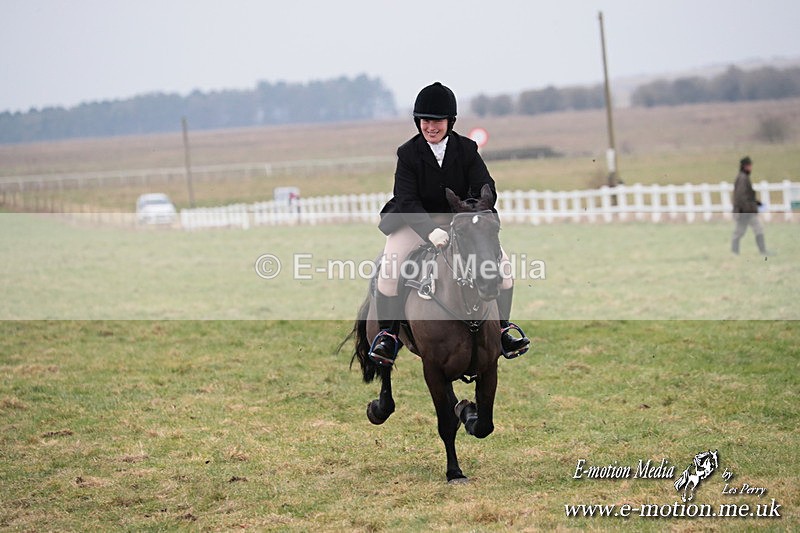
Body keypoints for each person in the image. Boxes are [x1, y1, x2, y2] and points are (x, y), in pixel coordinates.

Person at [368, 81, 530, 367]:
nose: (431, 127)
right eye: (426, 121)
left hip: (460, 223)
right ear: (419, 121)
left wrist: (471, 211)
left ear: (450, 122)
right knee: (390, 268)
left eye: (437, 121)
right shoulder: (407, 154)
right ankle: (389, 335)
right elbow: (406, 200)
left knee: (503, 267)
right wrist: (430, 231)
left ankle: (504, 329)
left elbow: (485, 186)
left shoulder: (466, 149)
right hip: (414, 221)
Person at [731, 156, 771, 256]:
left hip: (745, 211)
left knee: (742, 232)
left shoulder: (743, 177)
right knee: (752, 230)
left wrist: (757, 203)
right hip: (746, 212)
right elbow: (741, 197)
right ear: (745, 166)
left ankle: (735, 253)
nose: (751, 168)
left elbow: (747, 195)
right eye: (749, 165)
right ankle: (762, 251)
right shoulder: (742, 178)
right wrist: (748, 209)